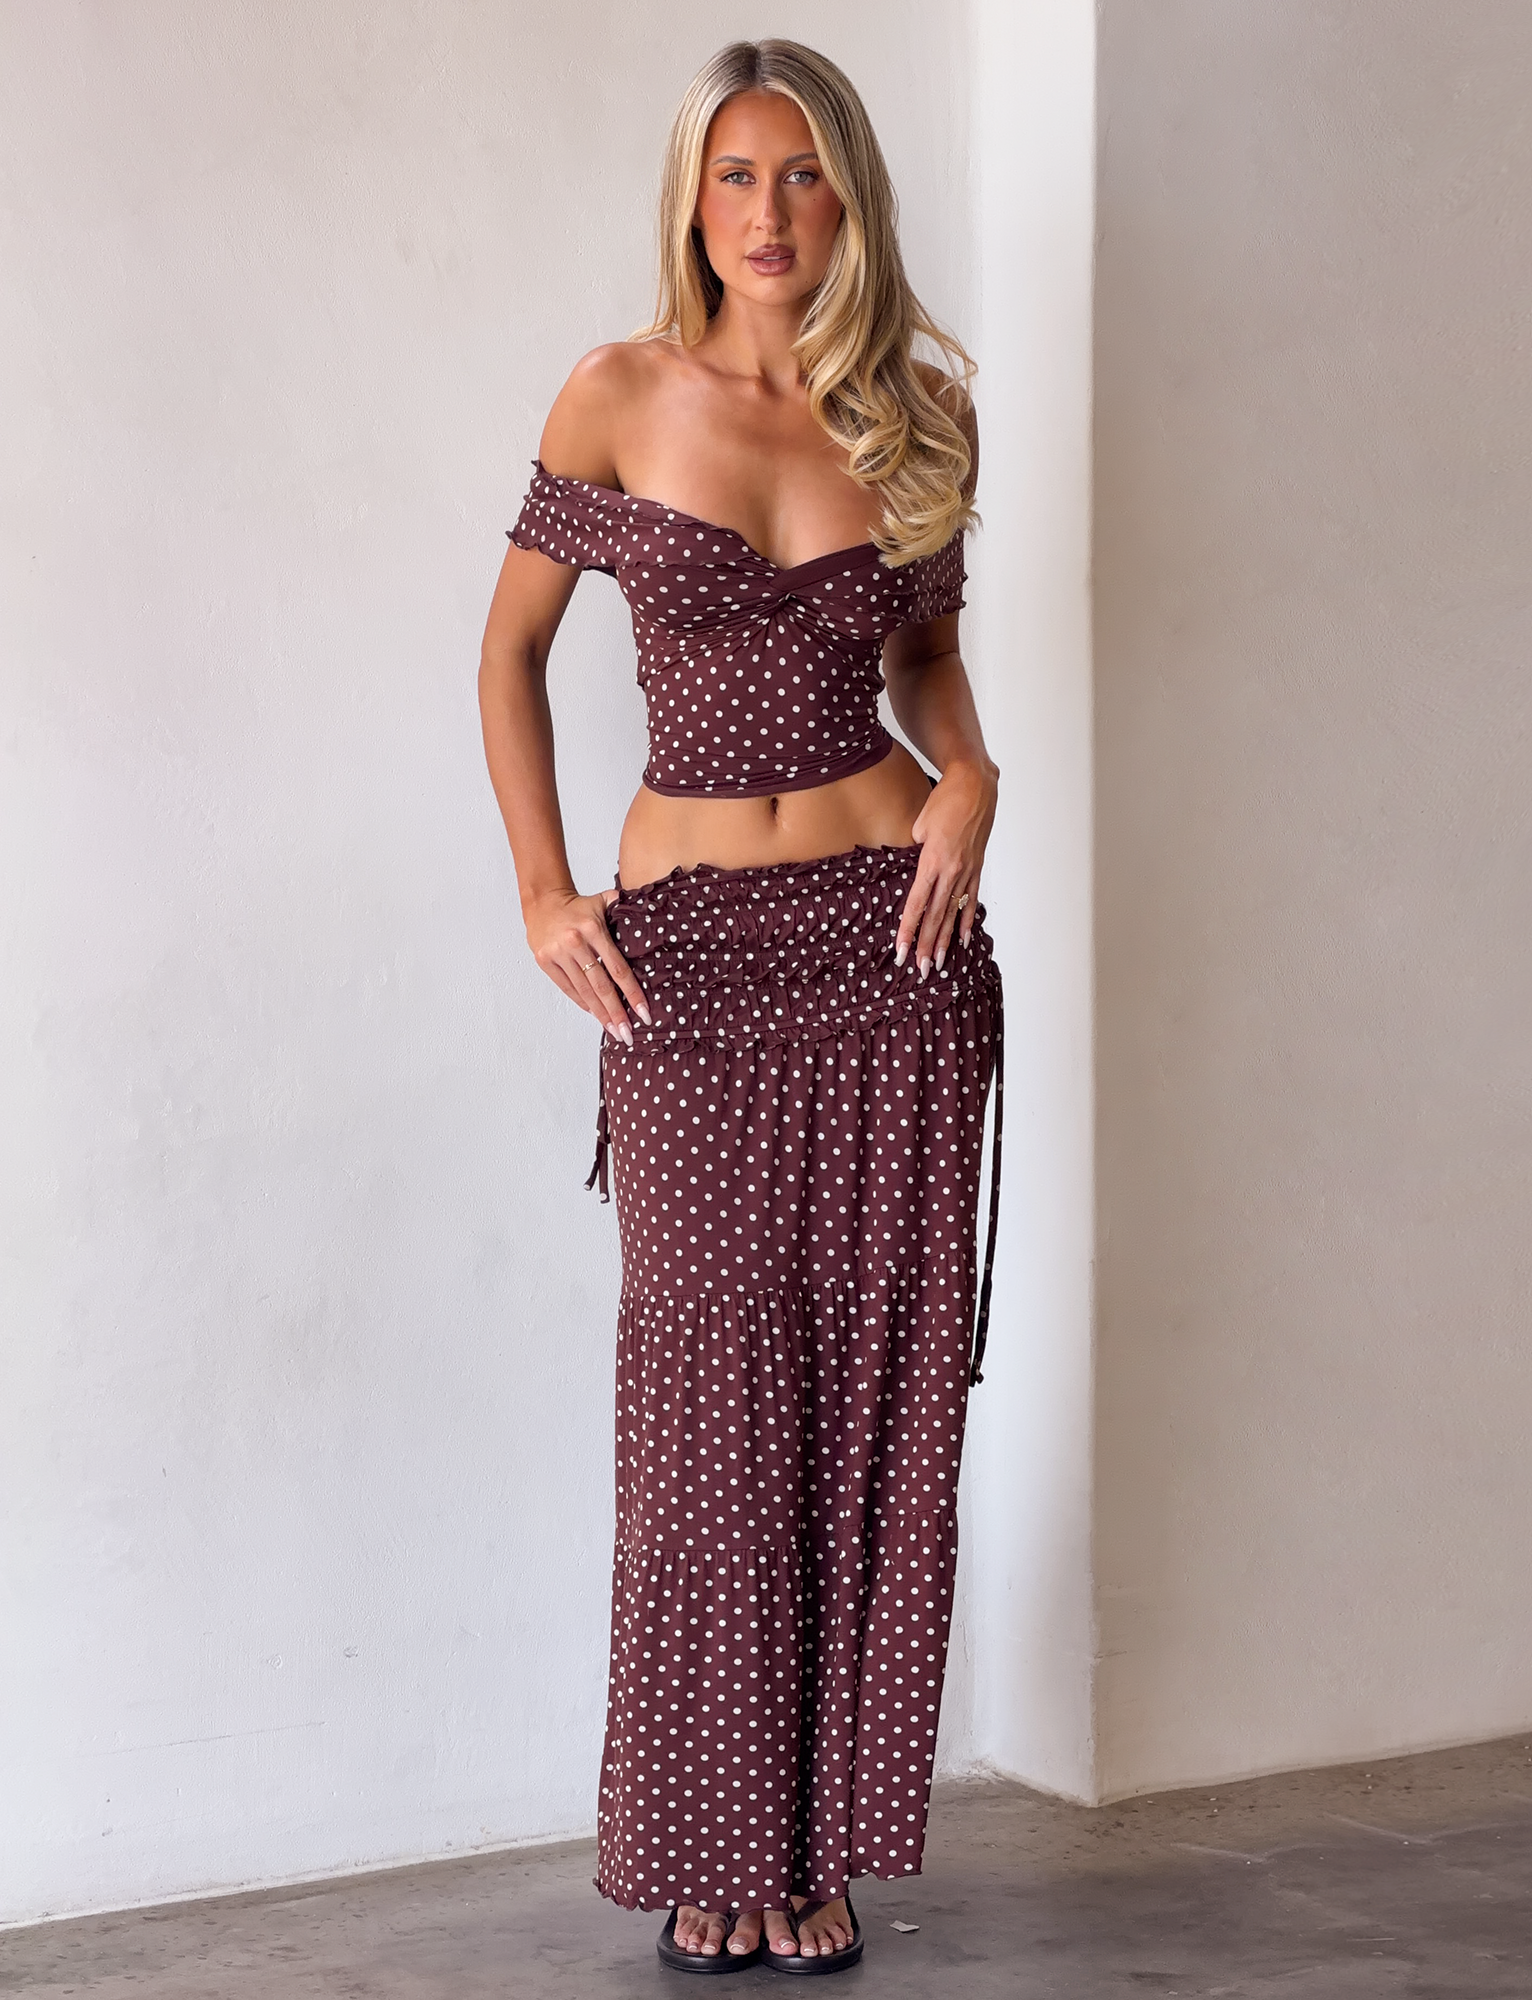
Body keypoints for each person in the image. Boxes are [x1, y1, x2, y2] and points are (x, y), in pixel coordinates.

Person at [478, 38, 1002, 1977]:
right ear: (691, 199)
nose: (767, 213)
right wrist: (542, 887)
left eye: (801, 175)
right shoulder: (616, 395)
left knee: (871, 1403)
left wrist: (974, 771)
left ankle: (820, 1844)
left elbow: (925, 667)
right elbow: (509, 658)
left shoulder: (915, 412)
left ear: (849, 194)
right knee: (712, 1401)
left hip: (891, 951)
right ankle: (715, 1833)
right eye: (735, 175)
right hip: (689, 959)